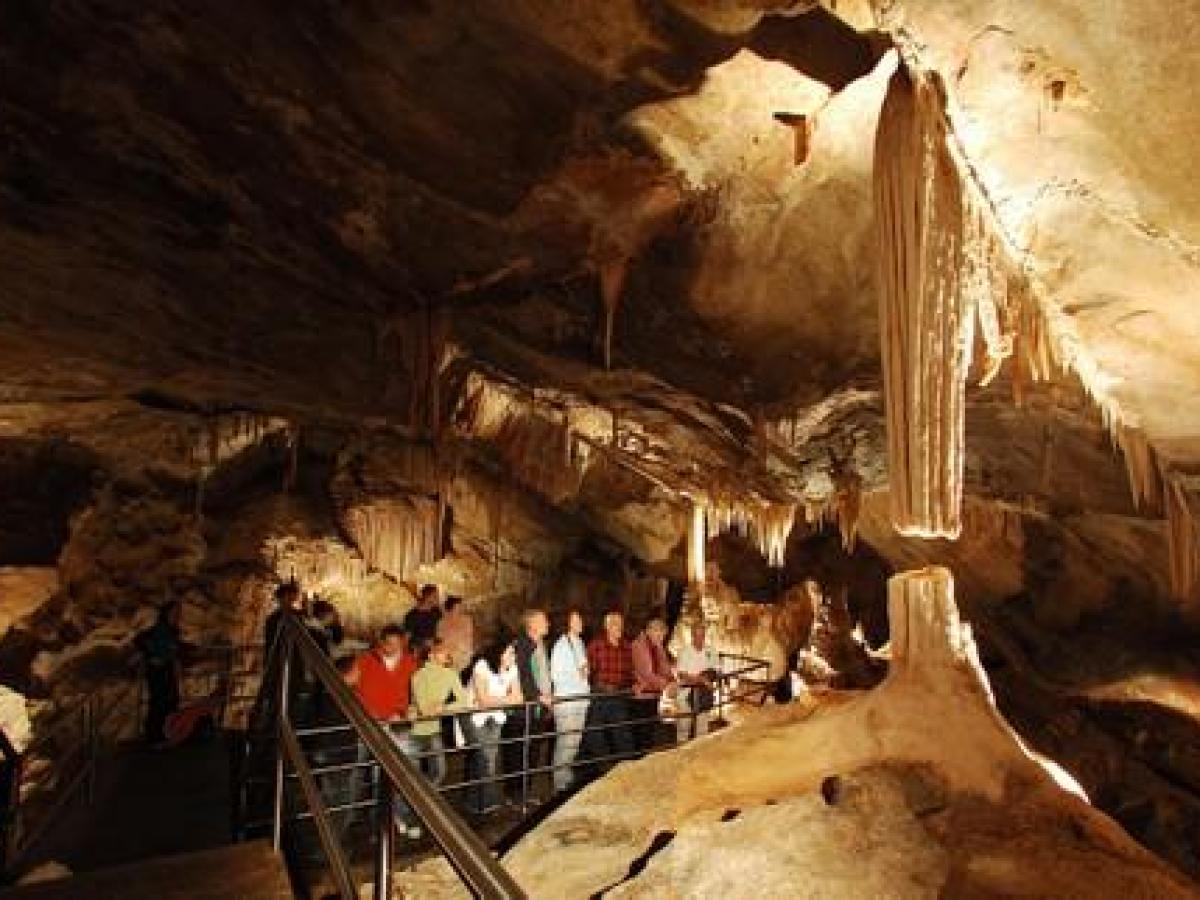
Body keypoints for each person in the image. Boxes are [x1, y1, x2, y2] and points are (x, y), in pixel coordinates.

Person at [345, 625, 422, 838]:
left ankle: (399, 815)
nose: (392, 649)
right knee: (371, 773)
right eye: (388, 644)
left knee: (404, 772)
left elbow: (416, 691)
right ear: (381, 642)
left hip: (399, 724)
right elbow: (346, 683)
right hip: (371, 724)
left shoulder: (409, 662)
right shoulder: (366, 660)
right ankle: (373, 820)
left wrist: (410, 710)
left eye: (397, 645)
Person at [409, 638, 470, 788]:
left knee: (440, 772)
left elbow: (463, 701)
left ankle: (424, 801)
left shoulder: (451, 674)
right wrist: (437, 708)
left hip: (434, 730)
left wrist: (443, 708)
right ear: (431, 655)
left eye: (446, 651)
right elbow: (425, 710)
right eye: (442, 651)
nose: (447, 654)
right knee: (411, 776)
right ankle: (412, 806)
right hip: (413, 731)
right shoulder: (418, 676)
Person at [468, 643, 521, 813]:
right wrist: (507, 698)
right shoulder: (482, 666)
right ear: (500, 653)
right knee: (484, 758)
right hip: (476, 717)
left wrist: (496, 700)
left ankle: (477, 802)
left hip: (496, 716)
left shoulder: (512, 668)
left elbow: (519, 697)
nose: (514, 656)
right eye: (511, 652)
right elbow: (483, 700)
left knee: (488, 758)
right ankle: (485, 802)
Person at [513, 609, 554, 800]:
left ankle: (524, 792)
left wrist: (548, 695)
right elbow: (523, 675)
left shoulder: (540, 644)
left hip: (538, 707)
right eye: (544, 620)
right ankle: (516, 795)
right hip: (525, 709)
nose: (548, 623)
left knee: (533, 751)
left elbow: (544, 674)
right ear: (532, 624)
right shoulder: (523, 645)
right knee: (522, 753)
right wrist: (539, 696)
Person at [586, 612, 634, 769]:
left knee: (622, 733)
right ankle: (603, 767)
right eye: (614, 623)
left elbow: (629, 672)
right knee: (596, 733)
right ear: (606, 626)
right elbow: (588, 671)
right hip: (600, 693)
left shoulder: (626, 646)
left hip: (618, 694)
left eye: (620, 623)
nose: (619, 627)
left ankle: (625, 767)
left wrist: (632, 685)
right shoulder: (596, 645)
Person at [549, 610, 589, 794]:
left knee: (574, 741)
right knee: (566, 742)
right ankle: (560, 783)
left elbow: (583, 669)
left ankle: (567, 776)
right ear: (567, 623)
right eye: (576, 619)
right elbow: (557, 676)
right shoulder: (561, 646)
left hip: (579, 698)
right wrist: (579, 673)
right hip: (568, 700)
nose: (581, 621)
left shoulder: (578, 642)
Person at [135, 601, 183, 746]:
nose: (178, 616)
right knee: (159, 703)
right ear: (167, 613)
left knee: (170, 701)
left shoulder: (171, 630)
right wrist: (152, 656)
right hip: (158, 671)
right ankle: (155, 737)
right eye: (175, 613)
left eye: (178, 613)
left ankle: (165, 734)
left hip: (166, 670)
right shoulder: (160, 629)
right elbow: (141, 640)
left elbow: (174, 648)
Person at [631, 619, 675, 751]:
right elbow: (646, 673)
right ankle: (639, 762)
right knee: (642, 733)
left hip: (653, 694)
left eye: (662, 634)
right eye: (658, 633)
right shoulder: (639, 645)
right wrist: (667, 684)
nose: (661, 637)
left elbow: (664, 667)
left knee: (650, 731)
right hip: (641, 696)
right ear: (649, 631)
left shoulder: (657, 646)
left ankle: (646, 759)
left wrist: (672, 680)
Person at [675, 621, 719, 743]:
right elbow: (681, 674)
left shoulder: (710, 650)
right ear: (692, 635)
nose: (700, 639)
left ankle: (700, 754)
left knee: (702, 727)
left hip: (703, 694)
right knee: (684, 727)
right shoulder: (684, 651)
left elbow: (715, 669)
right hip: (685, 694)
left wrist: (706, 677)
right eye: (697, 635)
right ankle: (682, 753)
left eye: (702, 635)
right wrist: (701, 679)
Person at [436, 597, 475, 676]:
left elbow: (468, 639)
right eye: (458, 606)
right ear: (451, 608)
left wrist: (458, 649)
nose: (461, 608)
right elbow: (440, 640)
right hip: (447, 653)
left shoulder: (466, 620)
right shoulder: (442, 622)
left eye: (461, 606)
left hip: (462, 653)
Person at [403, 584, 443, 653]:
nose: (437, 599)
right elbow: (407, 637)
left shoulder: (436, 612)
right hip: (418, 650)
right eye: (435, 596)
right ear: (428, 597)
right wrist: (423, 642)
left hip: (434, 650)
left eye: (437, 596)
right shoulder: (412, 615)